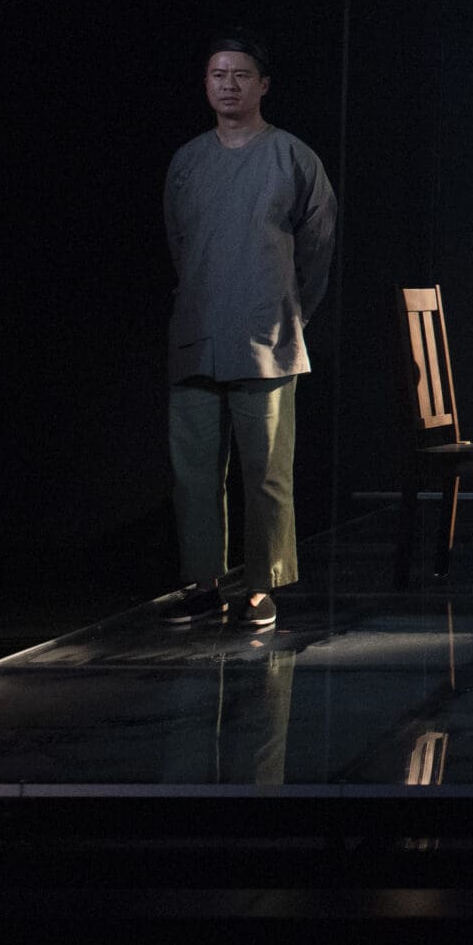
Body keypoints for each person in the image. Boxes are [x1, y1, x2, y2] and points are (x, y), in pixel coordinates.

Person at [161, 34, 337, 630]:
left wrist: (290, 310)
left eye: (240, 74)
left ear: (263, 84)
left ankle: (262, 585)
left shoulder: (292, 156)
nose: (228, 84)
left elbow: (318, 247)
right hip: (196, 329)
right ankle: (203, 579)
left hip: (267, 335)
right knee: (194, 469)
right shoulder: (187, 160)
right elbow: (179, 242)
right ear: (205, 85)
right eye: (217, 74)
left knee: (265, 469)